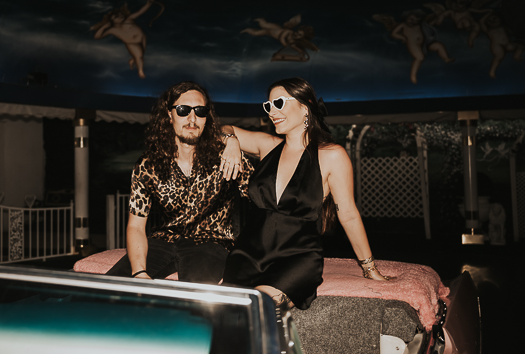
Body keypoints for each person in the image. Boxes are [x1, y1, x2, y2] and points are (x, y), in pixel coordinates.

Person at [221, 77, 388, 312]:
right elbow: (220, 128)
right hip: (248, 254)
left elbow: (348, 215)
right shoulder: (266, 145)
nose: (272, 111)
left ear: (304, 106)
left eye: (279, 103)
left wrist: (370, 268)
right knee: (223, 310)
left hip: (296, 257)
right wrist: (231, 142)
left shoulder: (331, 155)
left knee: (257, 308)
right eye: (268, 106)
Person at [106, 81, 253, 283]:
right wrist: (139, 272)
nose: (192, 119)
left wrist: (246, 259)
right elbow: (136, 226)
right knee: (109, 289)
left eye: (200, 111)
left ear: (206, 117)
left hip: (211, 242)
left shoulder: (227, 157)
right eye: (183, 110)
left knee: (200, 302)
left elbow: (264, 205)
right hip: (164, 239)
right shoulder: (150, 164)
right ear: (169, 114)